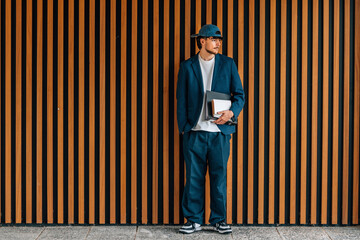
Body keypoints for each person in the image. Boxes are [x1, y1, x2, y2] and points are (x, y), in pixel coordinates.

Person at [176, 24, 245, 234]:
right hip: (194, 132)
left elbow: (239, 95)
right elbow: (181, 98)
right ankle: (193, 220)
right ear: (202, 41)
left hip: (220, 134)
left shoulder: (228, 64)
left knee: (219, 177)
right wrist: (184, 128)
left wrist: (231, 113)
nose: (218, 43)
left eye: (219, 40)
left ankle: (219, 219)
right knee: (194, 178)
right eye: (214, 39)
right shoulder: (187, 66)